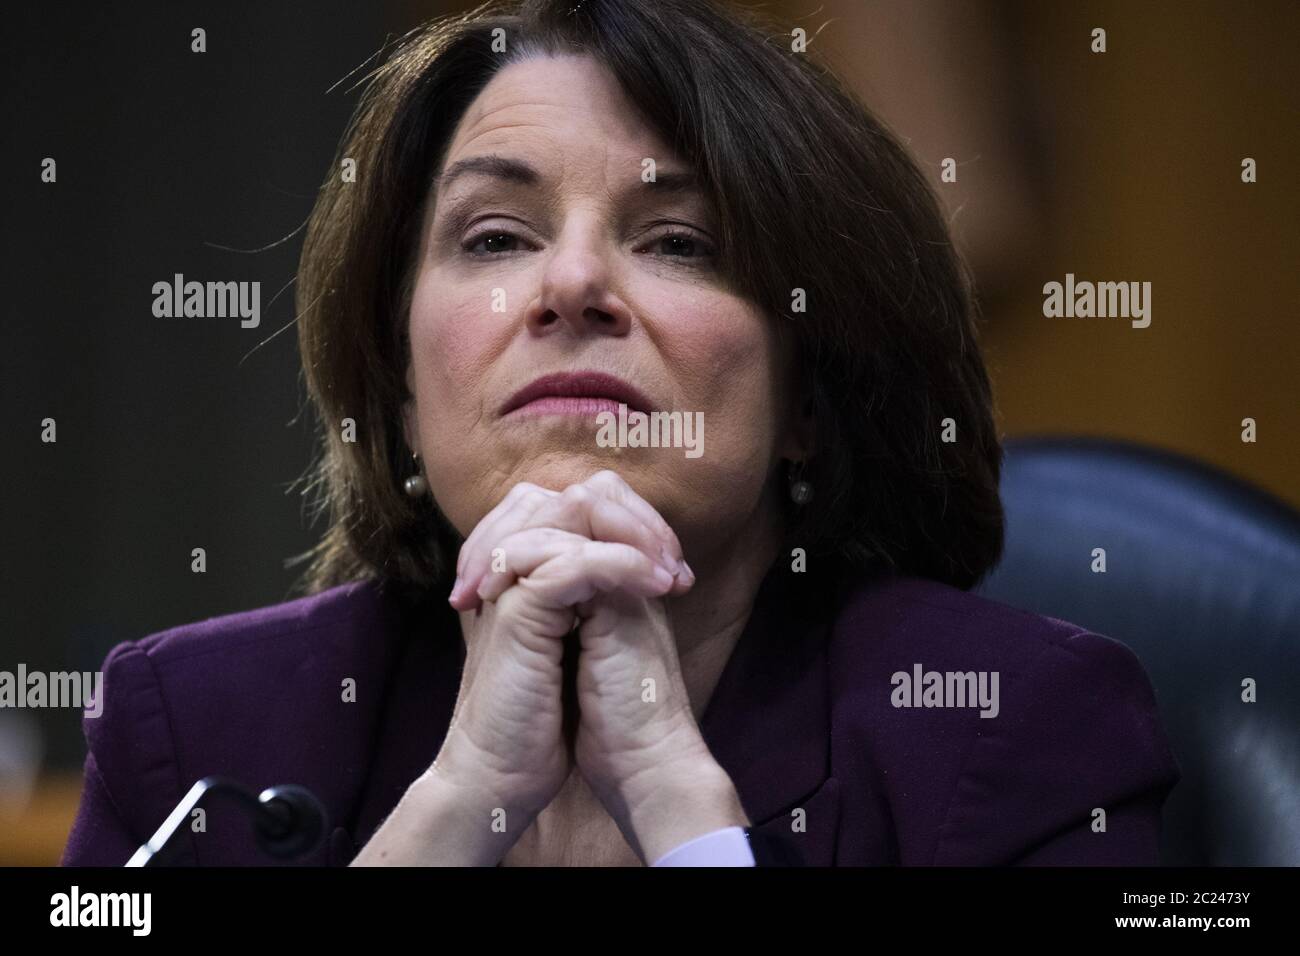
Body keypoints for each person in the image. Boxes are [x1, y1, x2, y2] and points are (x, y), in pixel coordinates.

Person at [61, 0, 1179, 867]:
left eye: (680, 242)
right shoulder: (196, 729)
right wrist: (452, 812)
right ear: (400, 385)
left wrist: (682, 809)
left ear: (807, 396)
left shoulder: (1017, 729)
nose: (575, 281)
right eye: (495, 237)